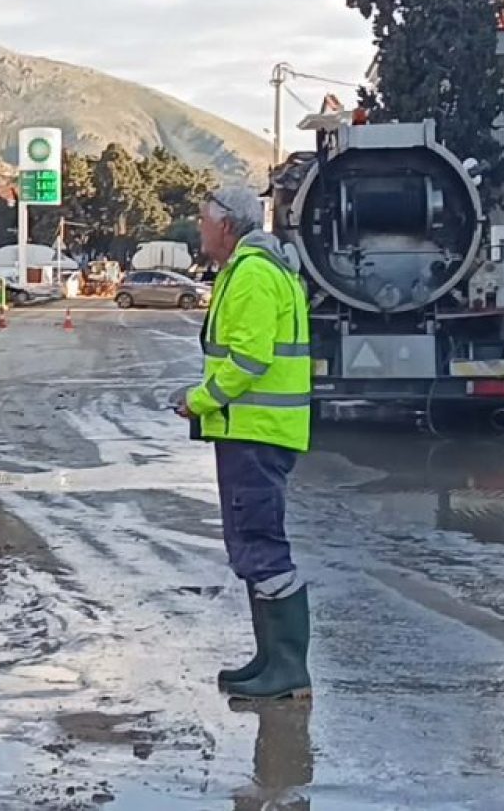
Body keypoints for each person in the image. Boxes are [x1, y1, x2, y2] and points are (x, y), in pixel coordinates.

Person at [176, 184, 312, 701]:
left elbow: (248, 362)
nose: (199, 227)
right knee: (251, 544)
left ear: (227, 225)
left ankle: (288, 671)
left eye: (204, 219)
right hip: (253, 432)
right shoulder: (253, 269)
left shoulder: (253, 274)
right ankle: (270, 659)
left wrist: (199, 399)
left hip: (255, 433)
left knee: (261, 546)